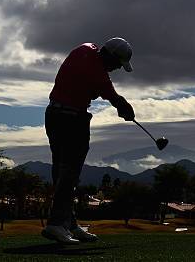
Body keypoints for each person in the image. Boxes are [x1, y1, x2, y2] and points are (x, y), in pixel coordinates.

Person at [41, 37, 135, 244]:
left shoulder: (84, 49)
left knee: (61, 171)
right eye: (118, 64)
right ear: (110, 56)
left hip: (54, 115)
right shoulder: (98, 71)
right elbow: (111, 94)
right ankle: (56, 223)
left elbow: (95, 83)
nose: (117, 69)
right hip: (71, 119)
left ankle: (69, 224)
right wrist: (124, 106)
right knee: (69, 173)